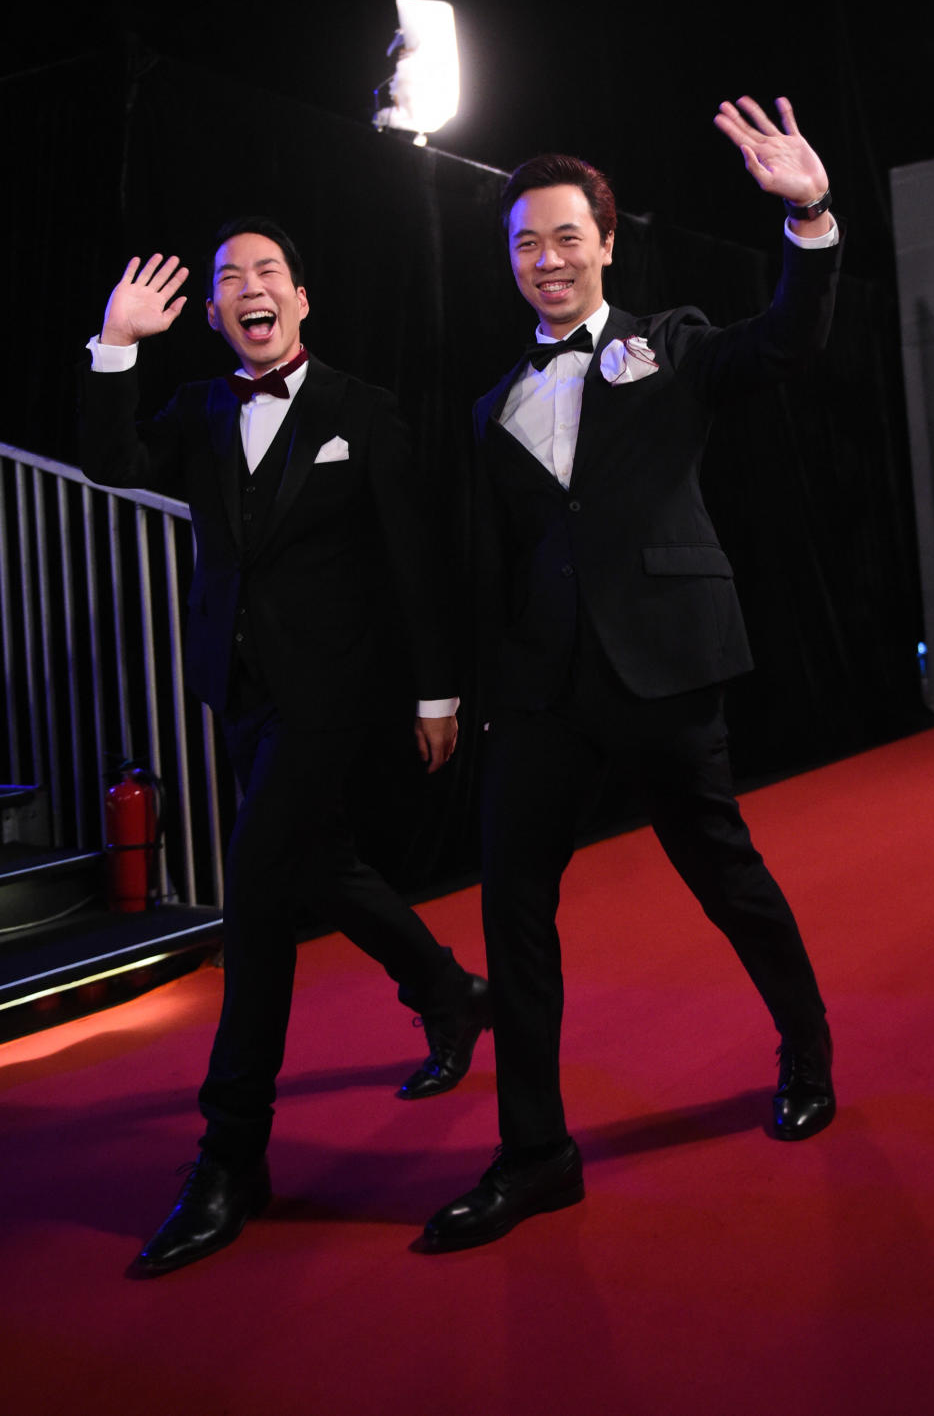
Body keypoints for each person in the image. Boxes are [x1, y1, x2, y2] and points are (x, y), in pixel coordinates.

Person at [422, 96, 840, 1252]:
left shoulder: (678, 343)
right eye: (524, 243)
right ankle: (537, 1153)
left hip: (665, 668)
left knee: (725, 872)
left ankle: (807, 1045)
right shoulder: (489, 403)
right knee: (513, 908)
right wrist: (462, 689)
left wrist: (810, 216)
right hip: (545, 691)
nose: (545, 260)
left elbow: (787, 341)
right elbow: (488, 562)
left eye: (565, 237)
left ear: (608, 242)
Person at [79, 217, 490, 1274]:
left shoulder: (365, 410)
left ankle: (231, 1154)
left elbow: (415, 556)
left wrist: (438, 691)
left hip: (337, 694)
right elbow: (109, 457)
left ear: (303, 299)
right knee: (320, 865)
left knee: (257, 896)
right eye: (229, 280)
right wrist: (115, 344)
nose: (249, 288)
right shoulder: (200, 406)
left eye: (269, 272)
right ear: (214, 314)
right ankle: (450, 992)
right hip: (241, 690)